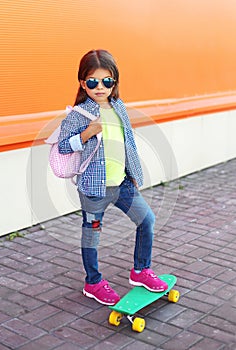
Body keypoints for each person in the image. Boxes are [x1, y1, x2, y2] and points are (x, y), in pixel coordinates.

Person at [58, 49, 168, 306]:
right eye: (93, 81)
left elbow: (128, 142)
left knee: (147, 221)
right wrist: (87, 133)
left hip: (122, 184)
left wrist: (134, 174)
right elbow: (63, 146)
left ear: (114, 82)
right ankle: (93, 282)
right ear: (83, 82)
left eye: (107, 81)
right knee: (92, 234)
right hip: (94, 189)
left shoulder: (119, 107)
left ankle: (140, 271)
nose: (100, 87)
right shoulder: (79, 114)